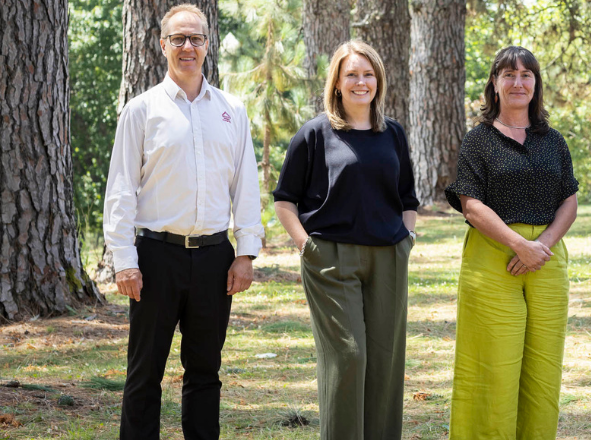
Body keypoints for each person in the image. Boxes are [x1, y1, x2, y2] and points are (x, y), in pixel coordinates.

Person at [103, 4, 263, 439]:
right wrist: (124, 259)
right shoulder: (141, 110)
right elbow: (121, 189)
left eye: (196, 38)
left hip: (215, 259)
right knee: (144, 374)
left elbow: (246, 185)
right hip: (154, 258)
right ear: (163, 45)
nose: (188, 47)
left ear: (208, 45)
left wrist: (246, 253)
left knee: (205, 373)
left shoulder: (232, 110)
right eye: (178, 39)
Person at [272, 40, 419, 440]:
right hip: (331, 259)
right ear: (337, 82)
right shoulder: (315, 133)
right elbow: (285, 200)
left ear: (379, 81)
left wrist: (407, 238)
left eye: (368, 74)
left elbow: (407, 196)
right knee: (349, 357)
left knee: (385, 362)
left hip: (388, 257)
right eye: (351, 74)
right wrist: (307, 247)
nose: (361, 82)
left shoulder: (393, 134)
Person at [445, 46, 579, 439]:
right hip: (493, 257)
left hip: (548, 260)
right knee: (492, 367)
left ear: (536, 85)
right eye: (508, 74)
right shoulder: (478, 140)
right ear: (495, 83)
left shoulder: (553, 141)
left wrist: (543, 245)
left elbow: (569, 199)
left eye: (526, 75)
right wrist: (519, 245)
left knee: (543, 369)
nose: (518, 82)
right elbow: (470, 204)